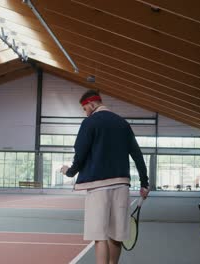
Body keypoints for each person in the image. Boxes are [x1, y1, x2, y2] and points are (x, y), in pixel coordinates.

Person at [60, 90, 149, 264]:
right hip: (122, 186)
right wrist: (144, 183)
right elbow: (137, 155)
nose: (85, 112)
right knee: (116, 236)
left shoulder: (89, 122)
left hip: (97, 186)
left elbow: (81, 153)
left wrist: (69, 172)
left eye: (85, 108)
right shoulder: (123, 124)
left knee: (99, 236)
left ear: (92, 104)